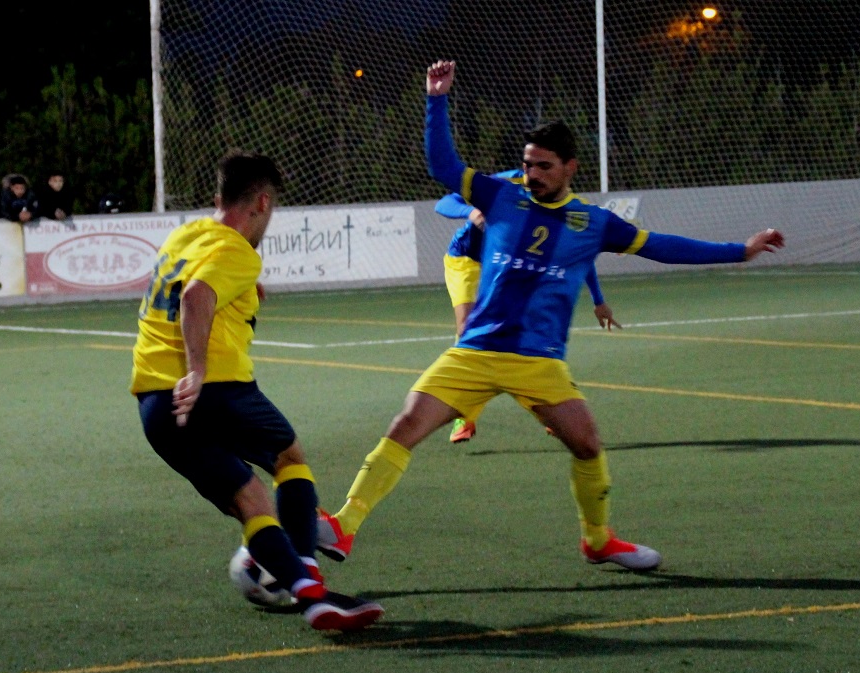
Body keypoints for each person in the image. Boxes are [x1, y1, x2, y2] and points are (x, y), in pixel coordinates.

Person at [317, 60, 784, 571]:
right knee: (406, 424)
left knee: (587, 444)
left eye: (543, 166)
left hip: (538, 361)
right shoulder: (500, 196)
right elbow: (443, 166)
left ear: (569, 168)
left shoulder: (593, 222)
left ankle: (598, 540)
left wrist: (739, 251)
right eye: (527, 164)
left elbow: (662, 247)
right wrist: (436, 99)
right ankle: (344, 525)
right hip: (476, 351)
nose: (532, 174)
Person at [130, 150, 383, 631]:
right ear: (263, 202)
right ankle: (308, 568)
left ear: (217, 198)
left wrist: (246, 290)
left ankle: (312, 599)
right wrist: (197, 370)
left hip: (156, 405)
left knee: (251, 501)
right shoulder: (237, 251)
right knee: (289, 458)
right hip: (217, 389)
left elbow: (187, 285)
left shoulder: (183, 236)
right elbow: (197, 295)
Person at [437, 172, 621, 443]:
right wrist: (473, 212)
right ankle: (464, 417)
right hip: (465, 260)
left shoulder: (561, 210)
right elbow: (444, 202)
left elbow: (579, 257)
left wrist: (599, 300)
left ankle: (552, 411)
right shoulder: (508, 182)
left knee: (527, 335)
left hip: (506, 264)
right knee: (467, 330)